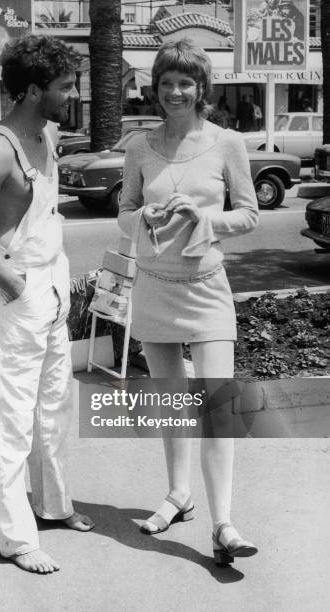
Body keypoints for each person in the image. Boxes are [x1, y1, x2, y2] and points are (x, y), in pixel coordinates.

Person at [0, 35, 94, 575]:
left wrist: (51, 284)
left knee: (55, 402)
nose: (73, 93)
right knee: (10, 415)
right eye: (64, 86)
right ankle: (14, 538)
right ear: (33, 90)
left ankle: (53, 507)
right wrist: (17, 287)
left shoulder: (47, 131)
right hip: (20, 291)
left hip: (52, 282)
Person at [118, 40, 259, 566]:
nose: (174, 92)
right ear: (153, 88)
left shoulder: (228, 144)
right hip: (154, 287)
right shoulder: (138, 145)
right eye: (165, 83)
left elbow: (248, 215)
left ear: (202, 88)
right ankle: (179, 494)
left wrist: (203, 218)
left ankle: (224, 523)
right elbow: (125, 211)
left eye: (185, 83)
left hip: (206, 289)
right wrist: (145, 219)